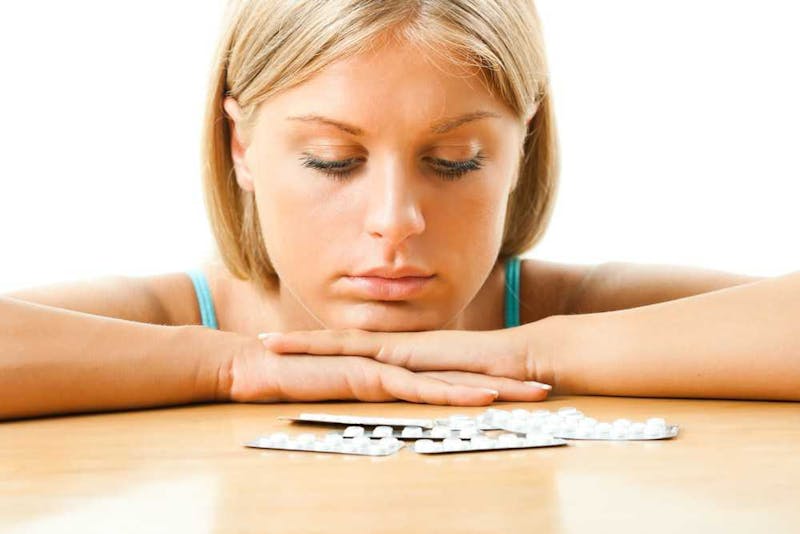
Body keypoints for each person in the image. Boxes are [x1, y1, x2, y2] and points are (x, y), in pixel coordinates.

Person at [2, 1, 797, 422]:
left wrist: (538, 353)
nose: (395, 220)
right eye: (332, 160)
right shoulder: (172, 317)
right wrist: (228, 365)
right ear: (240, 145)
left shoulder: (564, 311)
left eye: (455, 161)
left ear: (521, 147)